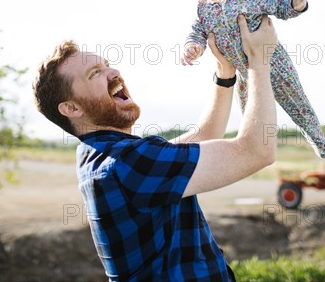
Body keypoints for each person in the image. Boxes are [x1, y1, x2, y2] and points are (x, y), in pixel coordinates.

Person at [33, 15, 278, 281]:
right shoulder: (129, 162)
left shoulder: (95, 152)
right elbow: (257, 151)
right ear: (71, 108)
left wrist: (225, 74)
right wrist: (259, 62)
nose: (114, 73)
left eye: (106, 65)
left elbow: (203, 139)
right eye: (96, 74)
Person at [181, 0, 325, 159]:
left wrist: (297, 3)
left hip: (273, 62)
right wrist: (193, 48)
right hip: (244, 71)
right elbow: (196, 33)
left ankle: (318, 139)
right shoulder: (204, 8)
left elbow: (281, 8)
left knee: (295, 100)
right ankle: (252, 150)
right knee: (250, 112)